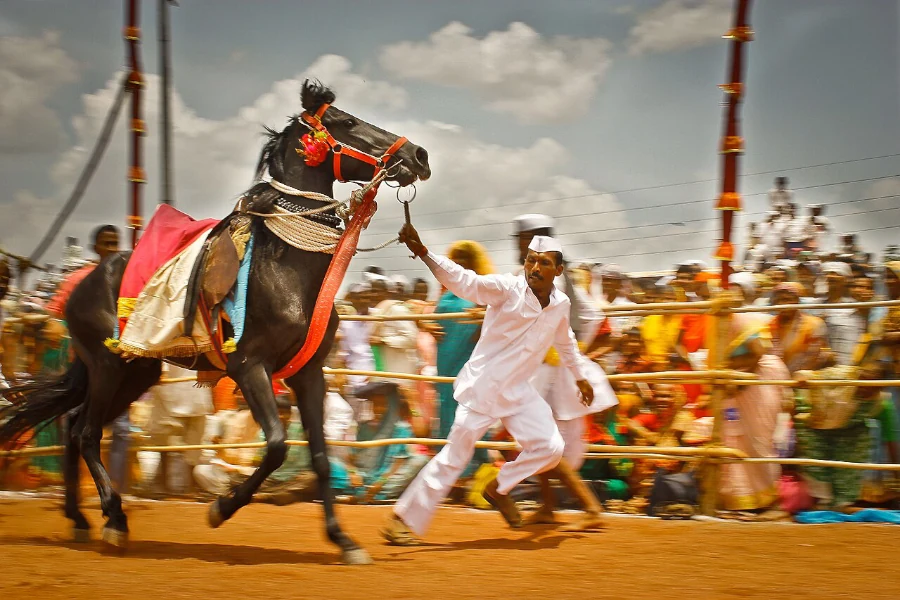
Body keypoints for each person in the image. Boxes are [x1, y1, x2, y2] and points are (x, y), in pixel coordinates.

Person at [382, 225, 595, 545]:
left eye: (544, 263)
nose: (535, 268)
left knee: (550, 448)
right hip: (484, 387)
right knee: (454, 457)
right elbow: (465, 280)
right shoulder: (506, 288)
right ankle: (402, 520)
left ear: (558, 270)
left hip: (519, 391)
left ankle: (498, 487)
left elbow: (566, 342)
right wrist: (425, 253)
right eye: (531, 260)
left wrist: (581, 376)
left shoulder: (560, 303)